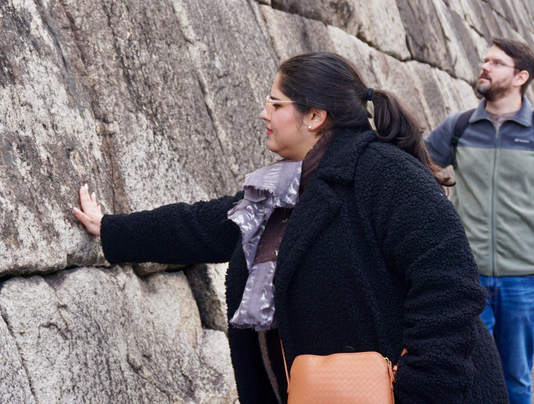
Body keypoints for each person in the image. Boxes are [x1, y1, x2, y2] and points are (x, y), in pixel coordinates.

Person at [73, 52, 508, 403]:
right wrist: (112, 230)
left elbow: (451, 290)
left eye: (275, 104)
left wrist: (418, 392)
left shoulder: (386, 175)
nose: (263, 113)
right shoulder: (284, 189)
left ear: (315, 116)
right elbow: (203, 225)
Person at [425, 38, 534, 404]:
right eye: (485, 59)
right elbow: (414, 169)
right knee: (468, 374)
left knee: (514, 378)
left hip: (524, 280)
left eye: (497, 62)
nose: (485, 66)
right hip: (467, 277)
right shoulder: (461, 127)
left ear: (521, 77)